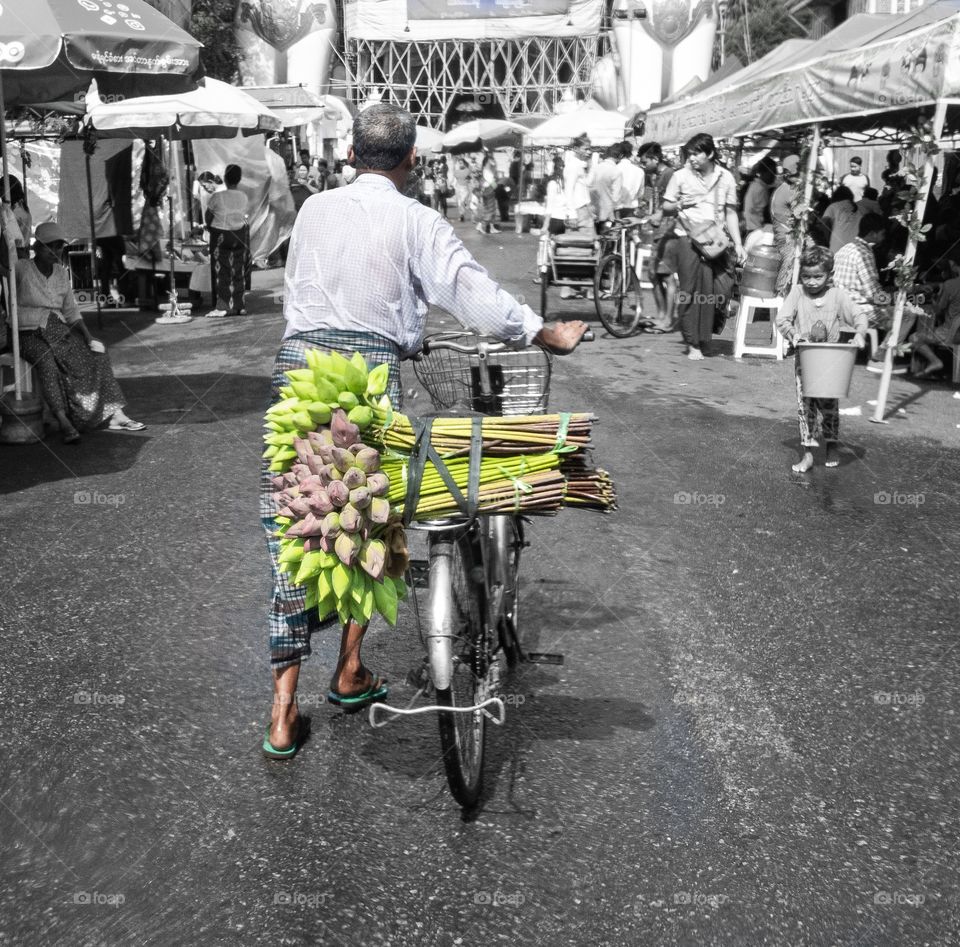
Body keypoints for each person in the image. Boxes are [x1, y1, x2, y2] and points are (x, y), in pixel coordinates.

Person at [262, 103, 588, 758]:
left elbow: (305, 292)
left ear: (349, 156)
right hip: (368, 376)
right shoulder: (416, 219)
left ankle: (281, 711)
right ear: (412, 161)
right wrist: (542, 331)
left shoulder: (313, 210)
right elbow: (470, 293)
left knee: (303, 528)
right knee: (365, 524)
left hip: (299, 372)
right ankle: (349, 669)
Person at [10, 223, 145, 443]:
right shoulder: (22, 268)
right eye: (50, 247)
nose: (55, 251)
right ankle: (63, 419)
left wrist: (88, 335)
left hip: (57, 330)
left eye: (59, 247)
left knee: (97, 351)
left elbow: (71, 311)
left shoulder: (61, 273)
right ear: (36, 247)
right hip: (27, 333)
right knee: (48, 363)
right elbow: (5, 276)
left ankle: (115, 414)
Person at [776, 246, 867, 472]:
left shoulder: (837, 295)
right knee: (804, 406)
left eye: (818, 276)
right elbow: (782, 319)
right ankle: (807, 454)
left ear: (830, 276)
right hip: (805, 359)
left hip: (831, 360)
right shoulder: (797, 292)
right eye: (806, 276)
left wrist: (860, 334)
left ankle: (831, 445)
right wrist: (793, 334)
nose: (812, 282)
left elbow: (859, 315)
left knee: (829, 405)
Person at [661, 132, 746, 359]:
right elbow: (666, 207)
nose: (692, 158)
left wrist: (738, 243)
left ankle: (705, 334)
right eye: (690, 154)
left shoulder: (726, 177)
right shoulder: (680, 176)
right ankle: (694, 343)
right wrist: (679, 203)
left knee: (718, 291)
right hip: (687, 239)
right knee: (690, 291)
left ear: (709, 153)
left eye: (697, 153)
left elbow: (730, 212)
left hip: (716, 241)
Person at [833, 212, 917, 373]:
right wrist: (895, 301)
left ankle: (880, 350)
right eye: (882, 233)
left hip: (840, 305)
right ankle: (880, 357)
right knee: (907, 314)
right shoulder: (864, 253)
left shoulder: (844, 249)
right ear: (872, 233)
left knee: (893, 314)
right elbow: (873, 294)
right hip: (858, 309)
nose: (884, 237)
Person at [638, 142, 676, 331]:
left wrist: (656, 215)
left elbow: (671, 204)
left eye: (645, 161)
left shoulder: (670, 175)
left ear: (655, 159)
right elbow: (645, 201)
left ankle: (668, 319)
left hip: (669, 230)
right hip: (656, 230)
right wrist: (638, 214)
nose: (643, 165)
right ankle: (661, 315)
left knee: (666, 275)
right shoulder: (651, 176)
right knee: (653, 274)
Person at [205, 163, 249, 318]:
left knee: (221, 271)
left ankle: (223, 306)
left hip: (220, 234)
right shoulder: (244, 196)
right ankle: (239, 305)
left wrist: (210, 229)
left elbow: (208, 217)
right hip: (239, 235)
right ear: (239, 179)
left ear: (224, 178)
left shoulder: (217, 197)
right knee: (238, 270)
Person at [911, 250, 960, 377]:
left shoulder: (951, 285)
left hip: (950, 333)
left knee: (915, 337)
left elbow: (938, 309)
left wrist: (934, 299)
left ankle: (935, 361)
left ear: (953, 264)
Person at [770, 154, 801, 295]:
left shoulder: (783, 188)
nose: (801, 177)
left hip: (782, 238)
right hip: (787, 241)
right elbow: (800, 214)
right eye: (798, 174)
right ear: (788, 174)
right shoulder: (789, 191)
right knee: (787, 275)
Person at [563, 137, 595, 233]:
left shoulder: (579, 165)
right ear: (576, 149)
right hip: (578, 209)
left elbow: (587, 184)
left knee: (581, 243)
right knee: (587, 242)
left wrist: (591, 166)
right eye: (585, 149)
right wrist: (572, 214)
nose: (589, 152)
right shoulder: (573, 166)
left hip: (583, 209)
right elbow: (569, 190)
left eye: (589, 149)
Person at [587, 144, 623, 230]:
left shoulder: (595, 168)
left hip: (592, 211)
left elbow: (587, 185)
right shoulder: (616, 172)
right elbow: (615, 197)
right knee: (605, 238)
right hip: (607, 213)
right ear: (620, 156)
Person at [741, 156, 777, 236]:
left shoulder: (756, 185)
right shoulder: (760, 189)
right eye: (773, 172)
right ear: (763, 172)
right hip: (757, 230)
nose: (774, 176)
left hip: (753, 228)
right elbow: (766, 214)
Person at [820, 185, 860, 254]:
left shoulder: (833, 206)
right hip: (855, 250)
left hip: (836, 249)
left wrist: (827, 240)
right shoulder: (859, 209)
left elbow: (824, 223)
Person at [614, 142, 644, 220]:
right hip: (631, 208)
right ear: (630, 154)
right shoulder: (639, 171)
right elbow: (641, 193)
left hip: (615, 209)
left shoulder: (614, 169)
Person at [475, 153, 500, 234]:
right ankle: (481, 226)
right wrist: (496, 185)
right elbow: (493, 184)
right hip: (489, 191)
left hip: (488, 191)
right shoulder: (487, 171)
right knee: (489, 210)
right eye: (491, 160)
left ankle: (490, 227)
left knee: (491, 210)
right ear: (487, 162)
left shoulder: (487, 170)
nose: (493, 161)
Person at [452, 158, 473, 222]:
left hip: (465, 188)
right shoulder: (456, 171)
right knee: (459, 202)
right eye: (459, 163)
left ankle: (467, 208)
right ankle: (462, 215)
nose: (460, 164)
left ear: (464, 163)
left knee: (462, 201)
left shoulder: (467, 170)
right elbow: (454, 179)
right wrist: (452, 185)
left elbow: (471, 177)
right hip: (458, 187)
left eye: (462, 163)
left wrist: (469, 180)